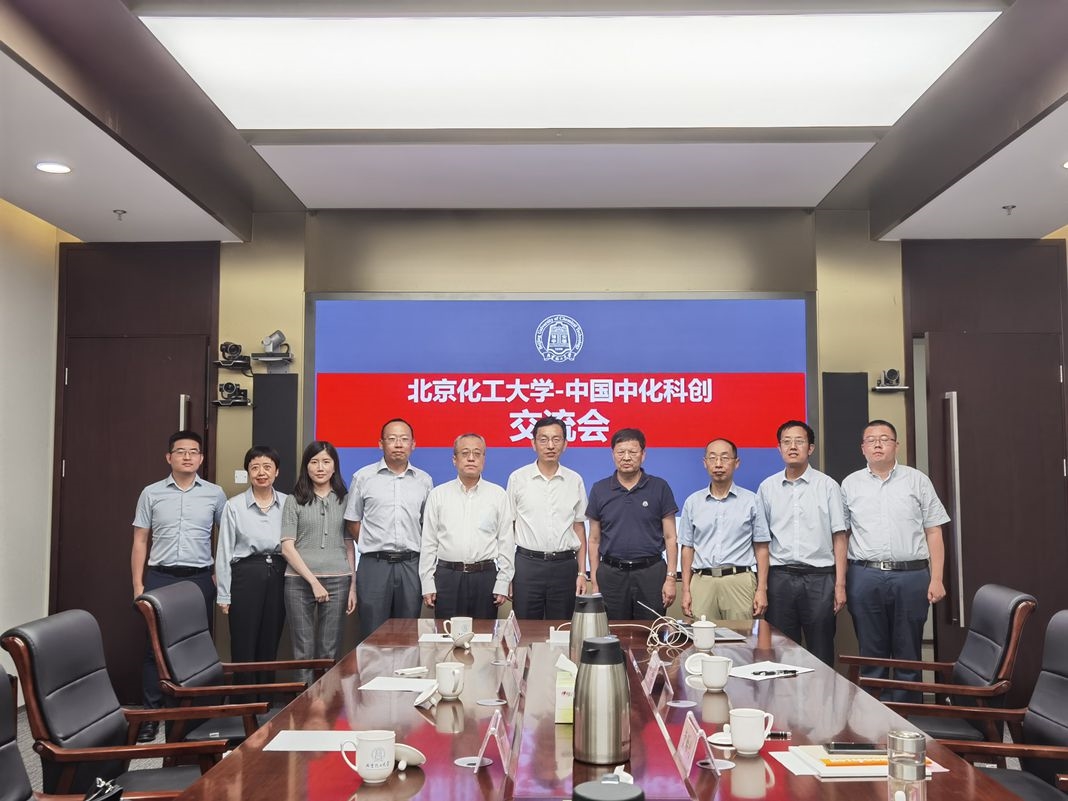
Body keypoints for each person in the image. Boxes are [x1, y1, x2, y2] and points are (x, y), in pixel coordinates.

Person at [843, 419, 949, 701]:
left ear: (896, 445)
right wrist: (841, 583)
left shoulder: (917, 480)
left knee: (908, 653)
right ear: (863, 448)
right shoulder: (850, 484)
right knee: (870, 652)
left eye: (884, 439)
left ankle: (908, 716)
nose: (877, 444)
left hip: (911, 576)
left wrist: (937, 578)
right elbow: (842, 535)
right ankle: (872, 716)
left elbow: (934, 531)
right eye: (871, 440)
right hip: (865, 575)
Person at [131, 430, 226, 741]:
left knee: (197, 648)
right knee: (154, 648)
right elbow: (140, 540)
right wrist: (138, 585)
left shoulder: (215, 494)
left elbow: (226, 538)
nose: (187, 456)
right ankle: (151, 716)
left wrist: (218, 574)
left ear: (201, 458)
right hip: (160, 577)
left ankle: (193, 714)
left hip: (199, 579)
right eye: (181, 451)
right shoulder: (151, 493)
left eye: (193, 451)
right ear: (168, 457)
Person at [756, 420, 848, 666]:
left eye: (799, 441)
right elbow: (762, 541)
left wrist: (840, 585)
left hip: (820, 579)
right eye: (786, 442)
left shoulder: (828, 486)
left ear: (811, 448)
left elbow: (840, 537)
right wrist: (762, 587)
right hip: (780, 578)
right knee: (780, 651)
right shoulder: (767, 488)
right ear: (779, 448)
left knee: (821, 649)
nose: (792, 447)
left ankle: (822, 693)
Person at [344, 418, 433, 641]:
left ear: (413, 444)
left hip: (411, 565)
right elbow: (352, 520)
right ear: (380, 443)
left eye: (404, 439)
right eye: (392, 439)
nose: (398, 444)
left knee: (408, 634)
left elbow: (428, 525)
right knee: (372, 635)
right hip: (374, 565)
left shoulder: (424, 480)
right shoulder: (363, 477)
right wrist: (371, 543)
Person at [281, 441, 355, 684]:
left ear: (334, 467)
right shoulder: (294, 500)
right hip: (299, 581)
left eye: (326, 462)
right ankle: (303, 701)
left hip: (338, 579)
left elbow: (348, 544)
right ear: (306, 466)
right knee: (302, 650)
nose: (320, 468)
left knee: (329, 650)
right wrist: (313, 582)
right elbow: (287, 547)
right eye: (314, 462)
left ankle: (326, 701)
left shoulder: (345, 500)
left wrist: (352, 586)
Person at [587, 428, 678, 621]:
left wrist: (671, 577)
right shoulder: (599, 489)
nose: (626, 457)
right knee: (612, 631)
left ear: (643, 455)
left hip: (651, 573)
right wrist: (594, 579)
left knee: (650, 631)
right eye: (621, 452)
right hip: (611, 574)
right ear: (613, 454)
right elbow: (594, 539)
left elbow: (671, 537)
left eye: (633, 452)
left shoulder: (659, 487)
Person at [419, 433, 514, 620]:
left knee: (484, 635)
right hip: (447, 577)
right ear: (454, 459)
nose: (471, 458)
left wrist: (503, 582)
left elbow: (506, 542)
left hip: (485, 577)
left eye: (477, 453)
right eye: (465, 453)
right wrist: (427, 582)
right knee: (446, 634)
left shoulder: (498, 495)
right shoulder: (438, 494)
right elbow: (429, 542)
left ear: (484, 459)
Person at [215, 445, 287, 687]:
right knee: (243, 641)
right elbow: (224, 550)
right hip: (245, 575)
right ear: (248, 472)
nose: (261, 472)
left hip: (279, 573)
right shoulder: (234, 506)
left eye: (267, 467)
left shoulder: (288, 503)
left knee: (270, 640)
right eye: (255, 467)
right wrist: (224, 594)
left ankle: (265, 700)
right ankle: (244, 700)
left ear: (277, 471)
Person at [679, 438, 770, 622]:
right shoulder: (693, 502)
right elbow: (687, 548)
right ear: (705, 463)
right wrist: (686, 590)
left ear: (736, 463)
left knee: (742, 638)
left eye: (725, 458)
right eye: (712, 458)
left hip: (739, 580)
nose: (718, 464)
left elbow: (761, 548)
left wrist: (761, 589)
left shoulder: (751, 501)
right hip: (702, 582)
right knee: (702, 638)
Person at [506, 415, 588, 620]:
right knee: (525, 628)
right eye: (543, 439)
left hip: (564, 566)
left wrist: (581, 573)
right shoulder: (518, 478)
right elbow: (508, 528)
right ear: (533, 444)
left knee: (562, 628)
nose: (550, 445)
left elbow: (579, 528)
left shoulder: (575, 480)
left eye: (556, 439)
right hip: (527, 565)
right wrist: (507, 574)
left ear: (565, 444)